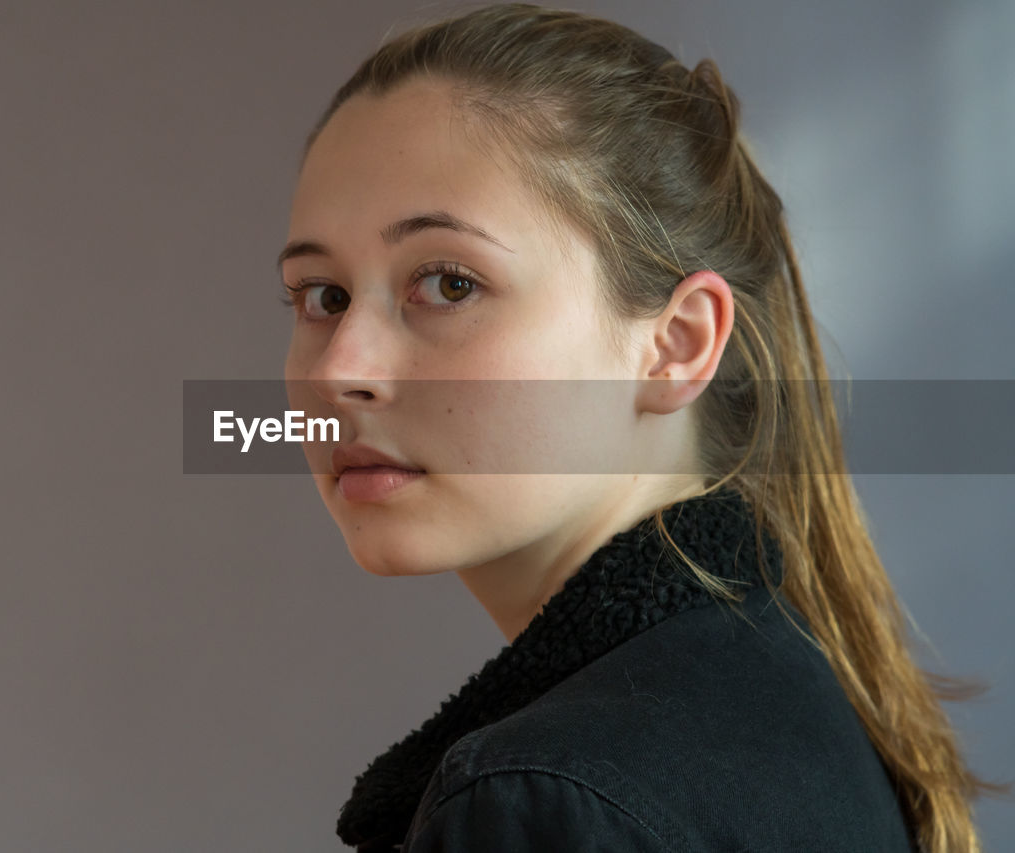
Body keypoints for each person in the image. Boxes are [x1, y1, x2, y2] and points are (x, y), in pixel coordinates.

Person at [274, 4, 1005, 851]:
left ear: (676, 345)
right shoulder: (789, 702)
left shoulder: (548, 801)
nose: (339, 369)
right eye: (321, 296)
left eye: (448, 283)